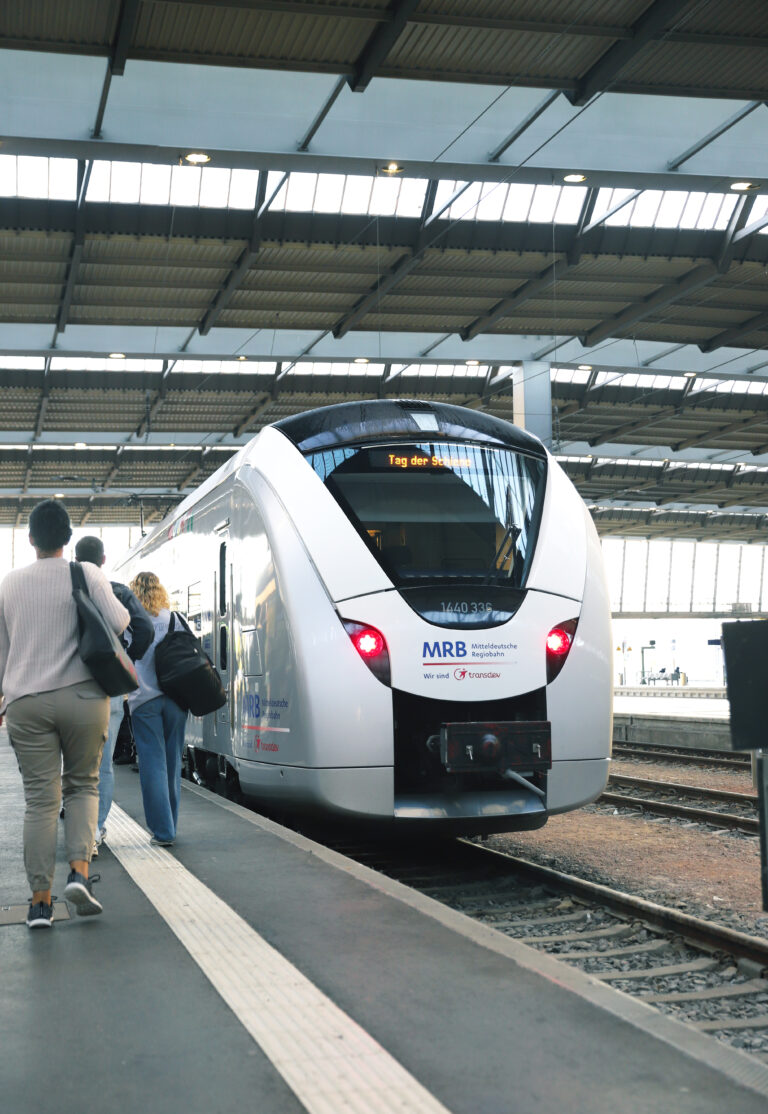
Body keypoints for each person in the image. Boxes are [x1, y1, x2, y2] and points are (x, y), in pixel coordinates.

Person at [0, 500, 129, 928]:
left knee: (40, 801)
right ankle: (79, 874)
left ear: (31, 538)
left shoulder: (9, 584)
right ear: (68, 539)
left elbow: (2, 654)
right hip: (83, 699)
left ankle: (39, 904)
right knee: (82, 787)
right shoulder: (87, 573)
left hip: (26, 702)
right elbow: (121, 620)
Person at [75, 536, 154, 856]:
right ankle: (94, 830)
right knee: (103, 764)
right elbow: (145, 630)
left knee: (77, 764)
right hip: (108, 689)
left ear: (76, 559)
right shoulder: (118, 591)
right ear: (103, 560)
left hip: (71, 686)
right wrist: (126, 661)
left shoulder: (69, 588)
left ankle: (79, 823)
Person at [127, 571, 188, 846]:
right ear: (160, 590)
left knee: (153, 766)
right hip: (176, 700)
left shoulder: (130, 623)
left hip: (144, 701)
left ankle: (163, 832)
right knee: (173, 764)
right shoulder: (174, 619)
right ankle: (170, 826)